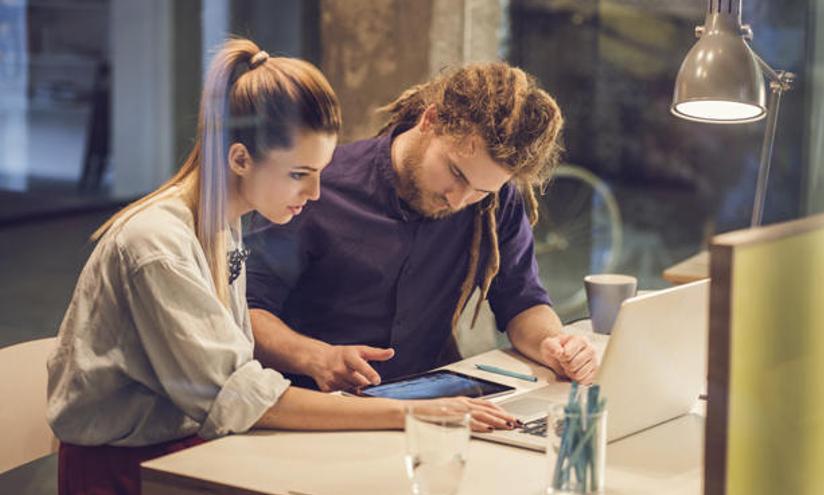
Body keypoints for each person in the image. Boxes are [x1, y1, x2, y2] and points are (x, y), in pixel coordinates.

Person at [46, 39, 515, 495]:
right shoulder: (158, 245)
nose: (313, 195)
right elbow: (236, 397)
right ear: (240, 159)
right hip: (131, 470)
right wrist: (413, 413)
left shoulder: (218, 225)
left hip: (191, 448)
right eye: (299, 175)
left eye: (319, 173)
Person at [245, 62, 598, 393]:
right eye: (456, 173)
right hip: (313, 407)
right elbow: (248, 312)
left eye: (480, 190)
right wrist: (316, 357)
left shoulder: (494, 201)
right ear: (431, 120)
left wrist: (554, 344)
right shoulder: (317, 188)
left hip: (431, 404)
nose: (459, 199)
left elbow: (522, 300)